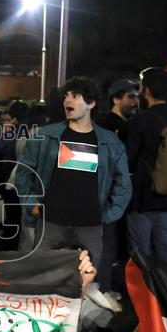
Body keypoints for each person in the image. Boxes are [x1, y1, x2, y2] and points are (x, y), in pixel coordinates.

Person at [15, 76, 132, 272]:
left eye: (75, 96)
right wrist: (30, 202)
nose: (68, 100)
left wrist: (109, 214)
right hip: (51, 223)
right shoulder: (45, 135)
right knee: (42, 277)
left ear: (91, 104)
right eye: (66, 96)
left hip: (90, 226)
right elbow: (23, 173)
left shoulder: (110, 142)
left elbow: (124, 184)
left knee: (86, 281)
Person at [123, 67, 167, 266]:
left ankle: (144, 286)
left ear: (146, 91)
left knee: (140, 253)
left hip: (142, 197)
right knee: (166, 249)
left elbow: (128, 158)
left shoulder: (141, 120)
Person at [94, 79, 139, 293]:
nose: (136, 101)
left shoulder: (127, 124)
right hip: (108, 195)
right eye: (131, 97)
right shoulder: (106, 124)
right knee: (106, 245)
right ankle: (101, 288)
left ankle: (105, 286)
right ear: (116, 99)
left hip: (119, 195)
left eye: (137, 96)